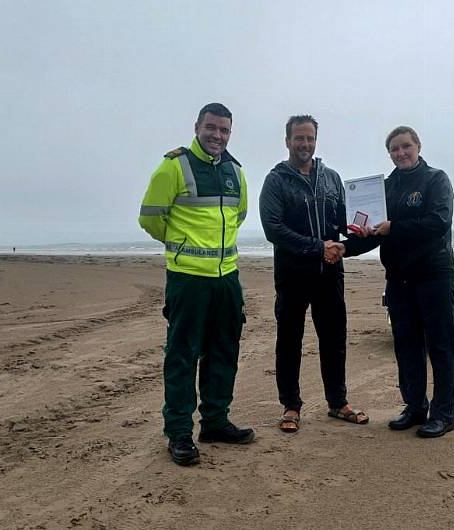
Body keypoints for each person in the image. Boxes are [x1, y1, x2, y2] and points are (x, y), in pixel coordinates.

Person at [138, 103, 253, 466]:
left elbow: (240, 215)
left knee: (224, 352)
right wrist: (184, 249)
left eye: (224, 130)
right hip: (188, 280)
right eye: (211, 128)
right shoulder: (174, 166)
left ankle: (216, 422)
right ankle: (179, 432)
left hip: (227, 278)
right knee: (182, 356)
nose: (217, 135)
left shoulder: (236, 171)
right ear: (197, 127)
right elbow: (151, 219)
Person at [340, 125, 454, 438]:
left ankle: (443, 414)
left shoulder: (436, 179)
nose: (401, 153)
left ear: (418, 145)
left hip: (434, 275)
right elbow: (374, 232)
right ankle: (415, 407)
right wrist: (344, 247)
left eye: (406, 146)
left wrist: (395, 227)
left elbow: (438, 222)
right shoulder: (385, 187)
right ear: (389, 153)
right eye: (394, 149)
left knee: (441, 346)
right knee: (406, 347)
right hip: (399, 279)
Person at [259, 115, 368, 433]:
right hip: (292, 275)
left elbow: (345, 220)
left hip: (330, 273)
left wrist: (363, 229)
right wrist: (317, 247)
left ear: (316, 141)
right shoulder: (276, 180)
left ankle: (338, 402)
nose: (304, 144)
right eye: (299, 138)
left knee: (334, 339)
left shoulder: (332, 178)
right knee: (289, 341)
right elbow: (273, 229)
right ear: (288, 141)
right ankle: (290, 406)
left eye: (310, 138)